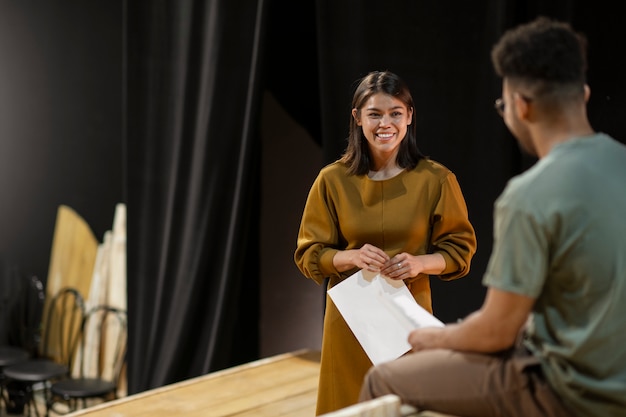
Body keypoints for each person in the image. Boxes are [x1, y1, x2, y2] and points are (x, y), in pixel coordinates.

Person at [358, 16, 626, 417]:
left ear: (520, 105)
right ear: (583, 94)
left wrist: (439, 338)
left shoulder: (531, 194)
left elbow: (497, 331)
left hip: (569, 388)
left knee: (384, 379)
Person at [294, 70, 477, 415]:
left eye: (395, 113)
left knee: (407, 406)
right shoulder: (331, 180)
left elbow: (459, 250)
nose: (385, 123)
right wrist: (351, 258)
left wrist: (420, 263)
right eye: (374, 113)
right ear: (357, 118)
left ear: (409, 116)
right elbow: (309, 253)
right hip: (349, 322)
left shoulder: (437, 179)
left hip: (407, 318)